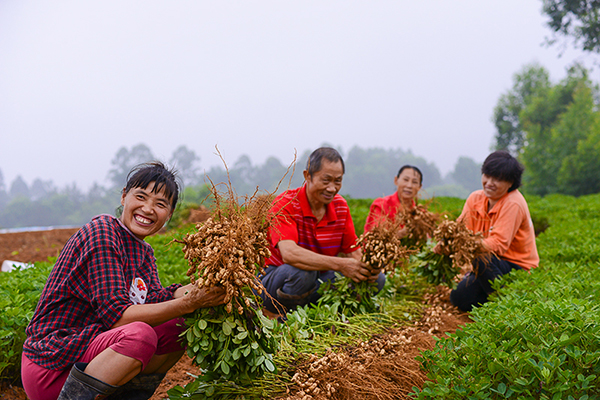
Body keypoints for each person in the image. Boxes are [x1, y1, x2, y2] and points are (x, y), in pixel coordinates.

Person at [21, 162, 226, 400]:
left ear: (169, 214)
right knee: (139, 335)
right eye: (141, 197)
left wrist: (200, 289)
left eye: (160, 204)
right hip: (52, 365)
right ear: (124, 197)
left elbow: (153, 299)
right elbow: (116, 316)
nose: (148, 209)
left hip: (91, 353)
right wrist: (189, 304)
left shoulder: (143, 251)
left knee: (176, 327)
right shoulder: (102, 233)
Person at [259, 147, 385, 315]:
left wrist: (369, 267)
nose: (332, 188)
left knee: (377, 280)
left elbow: (352, 252)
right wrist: (341, 265)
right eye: (326, 180)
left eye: (338, 181)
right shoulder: (285, 204)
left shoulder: (340, 207)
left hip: (317, 280)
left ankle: (319, 312)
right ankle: (277, 315)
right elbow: (290, 254)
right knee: (302, 272)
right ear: (307, 176)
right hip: (276, 282)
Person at [450, 150, 539, 312]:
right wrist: (446, 243)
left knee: (481, 257)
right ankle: (501, 298)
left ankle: (506, 306)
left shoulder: (514, 203)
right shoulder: (475, 198)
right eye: (487, 176)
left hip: (516, 267)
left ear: (510, 183)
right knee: (459, 297)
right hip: (491, 266)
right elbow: (460, 231)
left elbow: (498, 245)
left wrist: (467, 244)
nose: (489, 182)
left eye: (497, 179)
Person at [364, 165, 423, 233]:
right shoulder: (382, 205)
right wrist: (400, 234)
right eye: (405, 180)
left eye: (414, 182)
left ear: (419, 187)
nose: (409, 185)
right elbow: (378, 235)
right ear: (396, 180)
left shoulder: (420, 213)